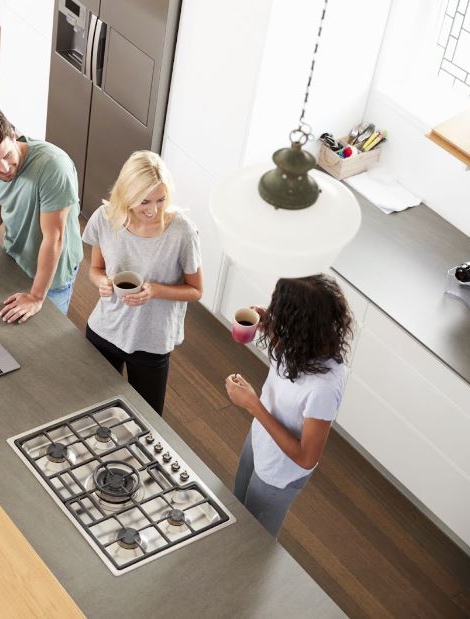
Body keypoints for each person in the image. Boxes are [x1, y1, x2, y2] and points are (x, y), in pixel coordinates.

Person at [224, 274, 353, 538]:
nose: (275, 316)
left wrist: (253, 406)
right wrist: (269, 325)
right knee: (237, 507)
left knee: (252, 538)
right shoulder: (300, 344)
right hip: (260, 439)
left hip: (279, 470)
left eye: (281, 315)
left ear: (300, 325)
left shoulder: (324, 388)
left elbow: (307, 458)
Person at [82, 151, 202, 415]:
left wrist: (156, 291)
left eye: (161, 200)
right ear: (127, 194)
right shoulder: (106, 217)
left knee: (146, 421)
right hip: (105, 330)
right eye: (144, 201)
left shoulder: (182, 232)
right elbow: (95, 268)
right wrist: (101, 281)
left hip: (152, 340)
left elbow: (195, 290)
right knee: (93, 413)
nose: (153, 210)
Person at [0, 108, 83, 322]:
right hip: (16, 257)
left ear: (14, 136)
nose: (5, 167)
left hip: (52, 273)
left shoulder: (53, 167)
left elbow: (54, 238)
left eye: (7, 155)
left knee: (46, 338)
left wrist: (36, 297)